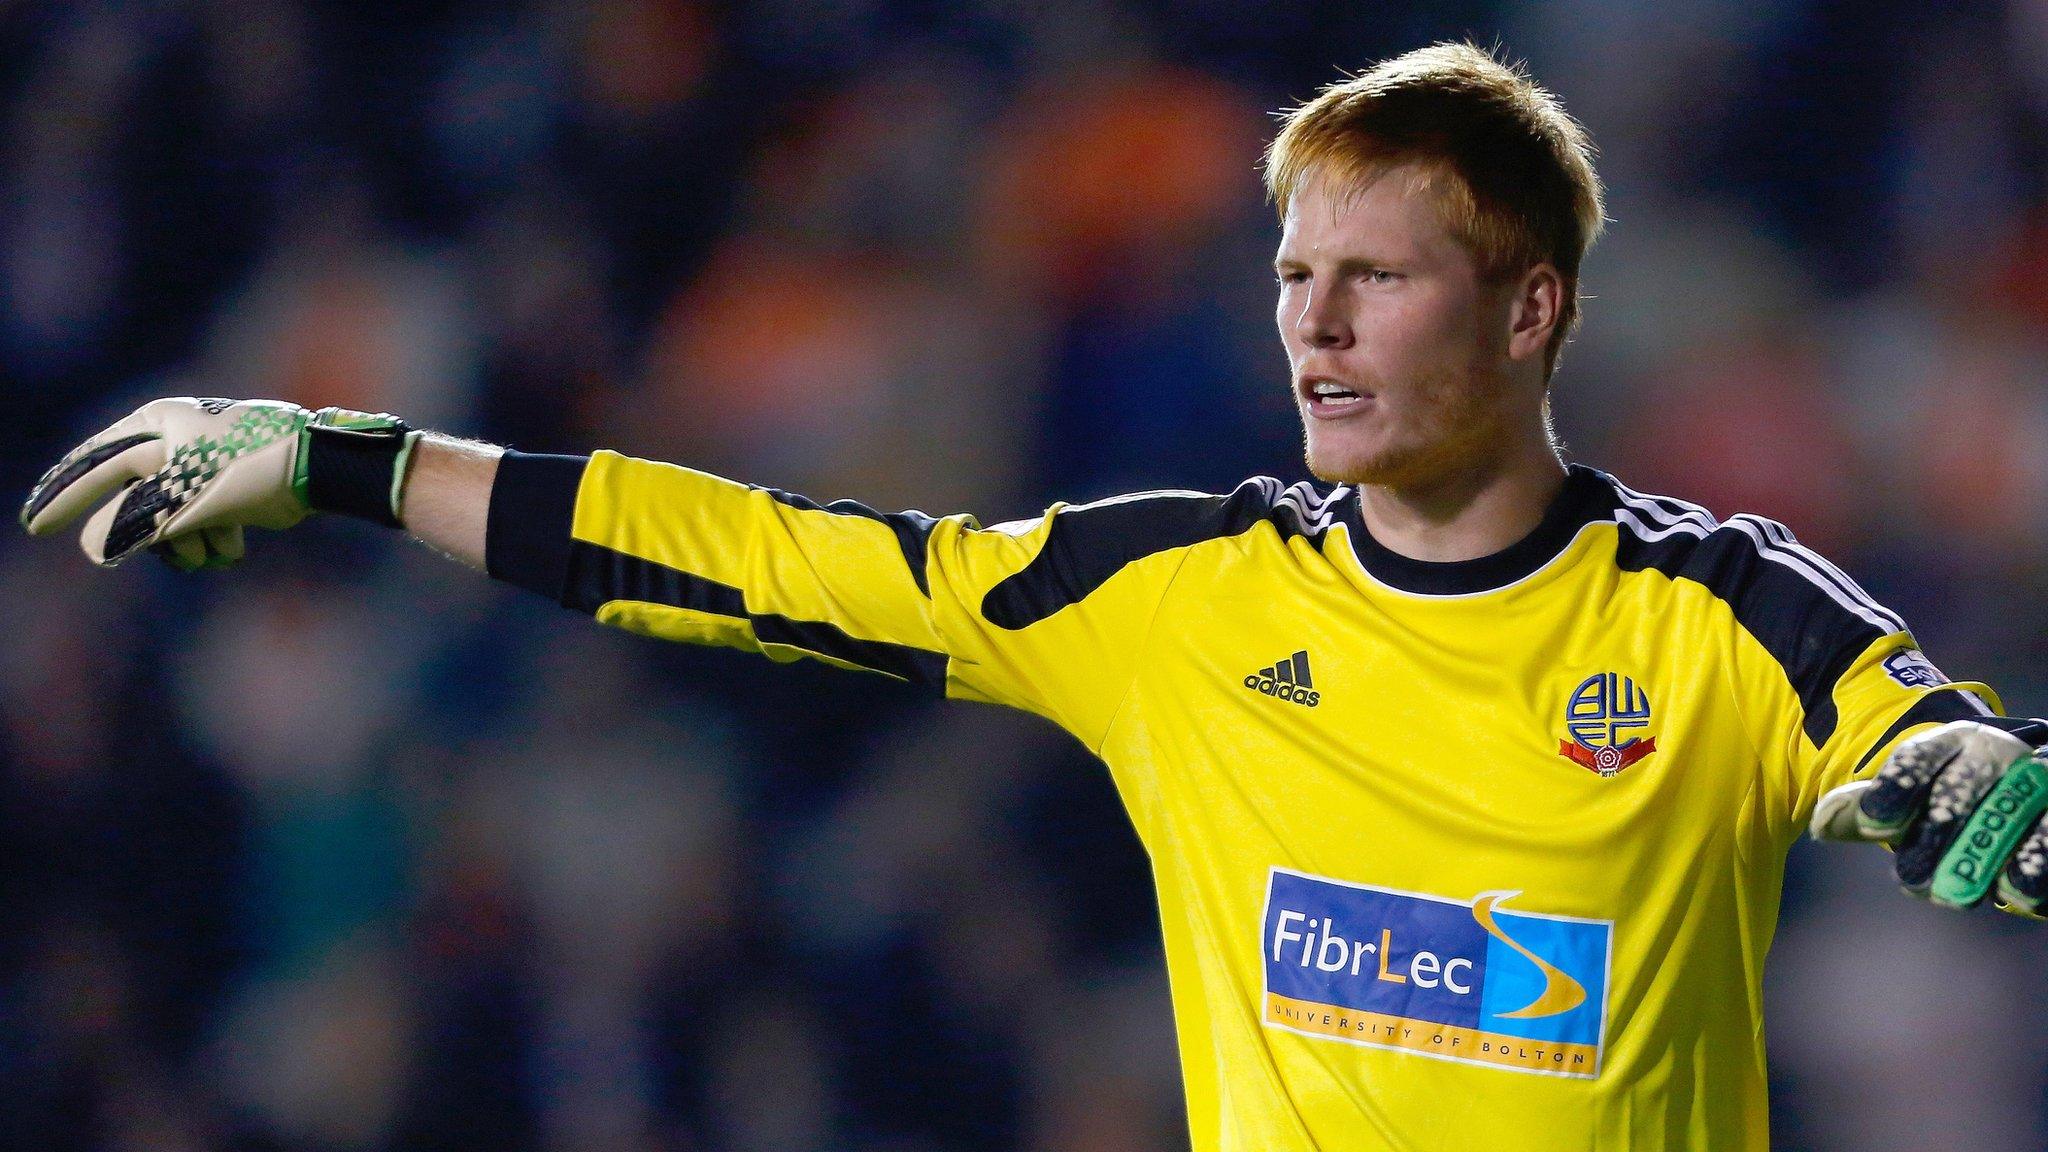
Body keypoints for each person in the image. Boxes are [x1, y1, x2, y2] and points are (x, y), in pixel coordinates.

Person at [20, 41, 2048, 1151]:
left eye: (1382, 278)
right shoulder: (1169, 590)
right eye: (1291, 276)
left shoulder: (1712, 610)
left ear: (1531, 312)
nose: (1317, 328)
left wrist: (1974, 787)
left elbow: (1931, 747)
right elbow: (746, 563)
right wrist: (346, 458)